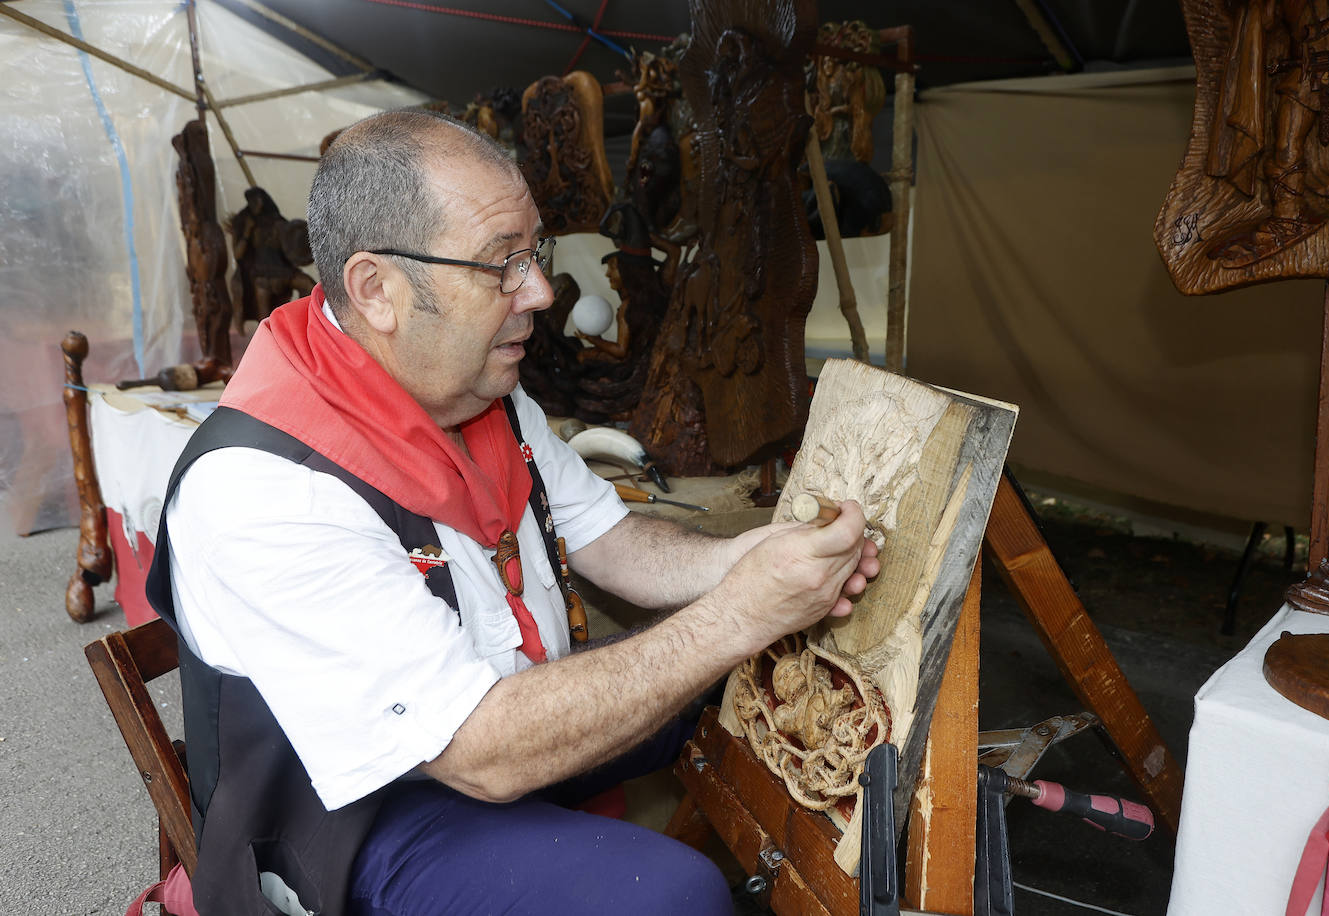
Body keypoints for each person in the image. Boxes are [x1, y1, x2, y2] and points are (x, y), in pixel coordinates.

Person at [147, 109, 879, 916]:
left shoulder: (474, 386)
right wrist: (738, 615)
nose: (538, 290)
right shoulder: (265, 486)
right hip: (363, 811)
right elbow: (478, 753)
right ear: (376, 290)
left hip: (499, 715)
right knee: (667, 898)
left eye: (535, 254)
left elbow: (614, 541)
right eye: (502, 264)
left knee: (741, 683)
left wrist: (754, 559)